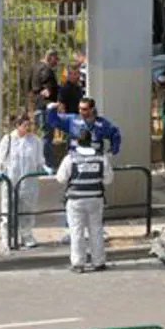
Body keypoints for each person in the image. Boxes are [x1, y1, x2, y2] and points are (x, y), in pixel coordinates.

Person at [46, 97, 121, 244]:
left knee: (96, 196)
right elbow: (53, 121)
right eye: (80, 108)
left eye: (85, 109)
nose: (81, 111)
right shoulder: (73, 120)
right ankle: (69, 230)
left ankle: (99, 228)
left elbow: (115, 133)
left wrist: (112, 150)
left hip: (94, 163)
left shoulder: (101, 124)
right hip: (76, 164)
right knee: (72, 196)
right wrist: (51, 108)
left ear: (92, 109)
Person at [56, 129, 114, 273]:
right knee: (96, 230)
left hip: (76, 200)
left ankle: (78, 264)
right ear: (91, 141)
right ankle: (99, 262)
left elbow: (61, 178)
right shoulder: (101, 158)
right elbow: (108, 179)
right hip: (95, 198)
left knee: (76, 231)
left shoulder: (71, 158)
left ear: (77, 142)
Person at [0, 112, 53, 251]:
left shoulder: (35, 140)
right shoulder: (8, 139)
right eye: (25, 125)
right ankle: (7, 237)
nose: (28, 127)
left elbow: (40, 159)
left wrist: (45, 167)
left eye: (29, 124)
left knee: (28, 209)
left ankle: (27, 235)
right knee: (8, 209)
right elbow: (0, 157)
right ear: (18, 125)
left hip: (28, 181)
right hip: (10, 180)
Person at [29, 48, 60, 169]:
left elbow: (30, 89)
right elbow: (47, 91)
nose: (56, 62)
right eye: (56, 59)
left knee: (41, 136)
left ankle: (40, 164)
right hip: (47, 108)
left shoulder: (34, 68)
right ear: (50, 57)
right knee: (47, 137)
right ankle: (46, 165)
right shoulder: (47, 70)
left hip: (38, 107)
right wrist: (49, 93)